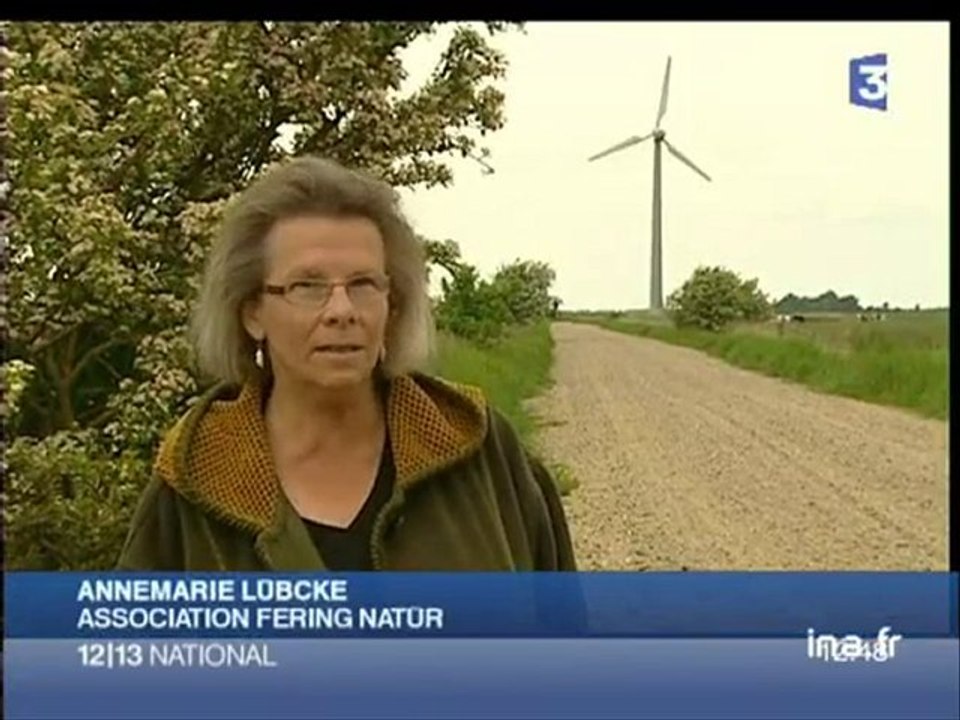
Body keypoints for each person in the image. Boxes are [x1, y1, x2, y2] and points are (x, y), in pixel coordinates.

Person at [116, 156, 577, 571]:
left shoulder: (480, 450)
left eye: (362, 284)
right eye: (307, 286)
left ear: (391, 305)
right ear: (253, 311)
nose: (341, 310)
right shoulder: (199, 475)